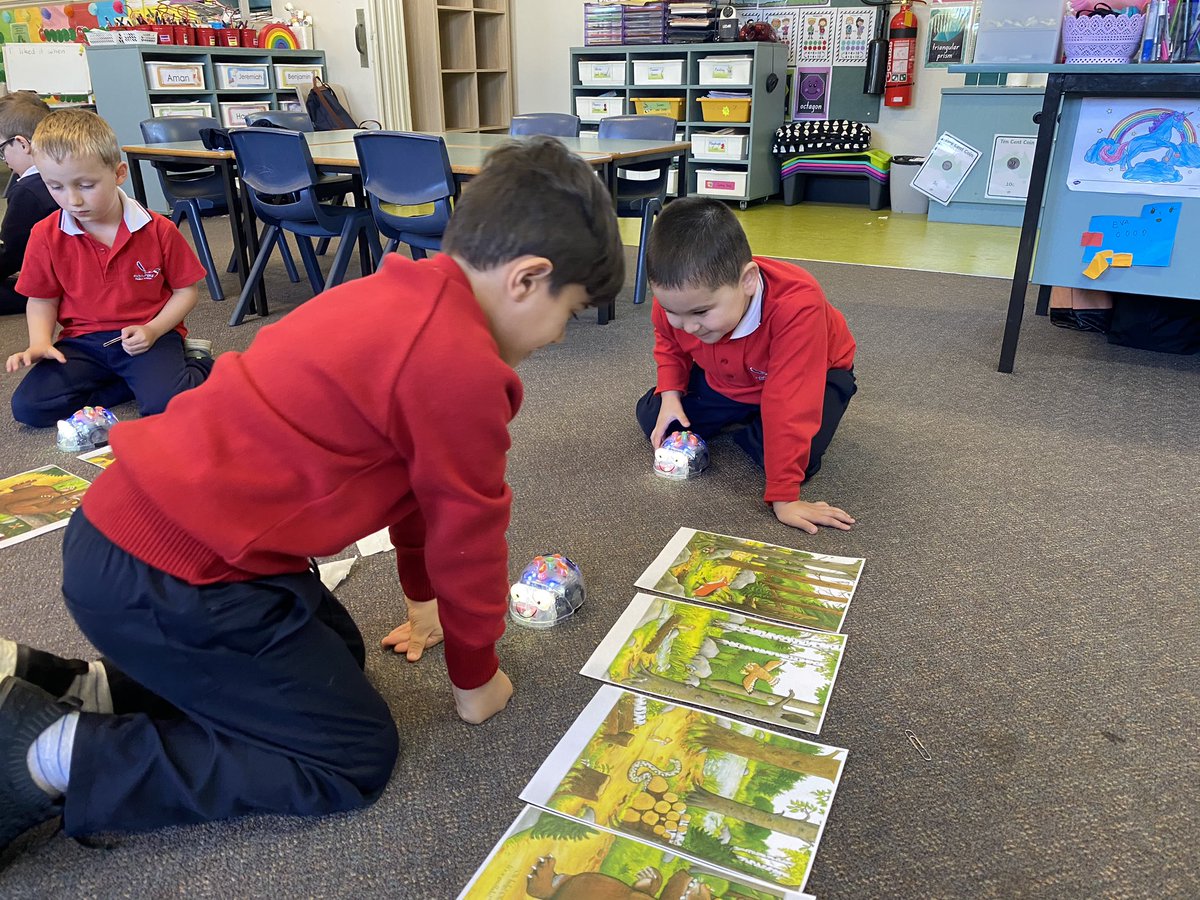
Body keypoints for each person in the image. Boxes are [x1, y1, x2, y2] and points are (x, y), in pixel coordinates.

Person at [0, 136, 624, 861]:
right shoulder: (463, 369)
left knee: (341, 652)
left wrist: (423, 605)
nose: (555, 338)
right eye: (568, 313)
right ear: (527, 278)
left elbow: (418, 492)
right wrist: (475, 677)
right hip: (168, 576)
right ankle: (53, 756)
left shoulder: (399, 294)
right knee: (350, 755)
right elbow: (468, 531)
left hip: (139, 541)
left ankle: (86, 690)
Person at [635, 197, 857, 534]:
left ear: (748, 280)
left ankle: (759, 424)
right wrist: (670, 394)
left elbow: (791, 400)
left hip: (813, 376)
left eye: (700, 313)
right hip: (730, 376)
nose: (687, 325)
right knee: (655, 418)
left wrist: (785, 499)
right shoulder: (679, 297)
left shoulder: (797, 307)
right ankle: (753, 418)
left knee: (797, 457)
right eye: (672, 310)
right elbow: (668, 342)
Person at [4, 109, 213, 428]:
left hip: (148, 336)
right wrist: (40, 342)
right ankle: (130, 385)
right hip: (82, 342)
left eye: (85, 185)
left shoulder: (158, 229)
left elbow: (186, 292)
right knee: (30, 408)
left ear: (118, 174)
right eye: (55, 187)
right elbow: (42, 299)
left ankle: (198, 363)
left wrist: (154, 329)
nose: (72, 200)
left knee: (165, 406)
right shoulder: (45, 234)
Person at [0, 93, 60, 316]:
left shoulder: (27, 191)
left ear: (22, 144)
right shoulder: (63, 175)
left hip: (55, 286)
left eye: (2, 150)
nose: (4, 160)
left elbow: (11, 253)